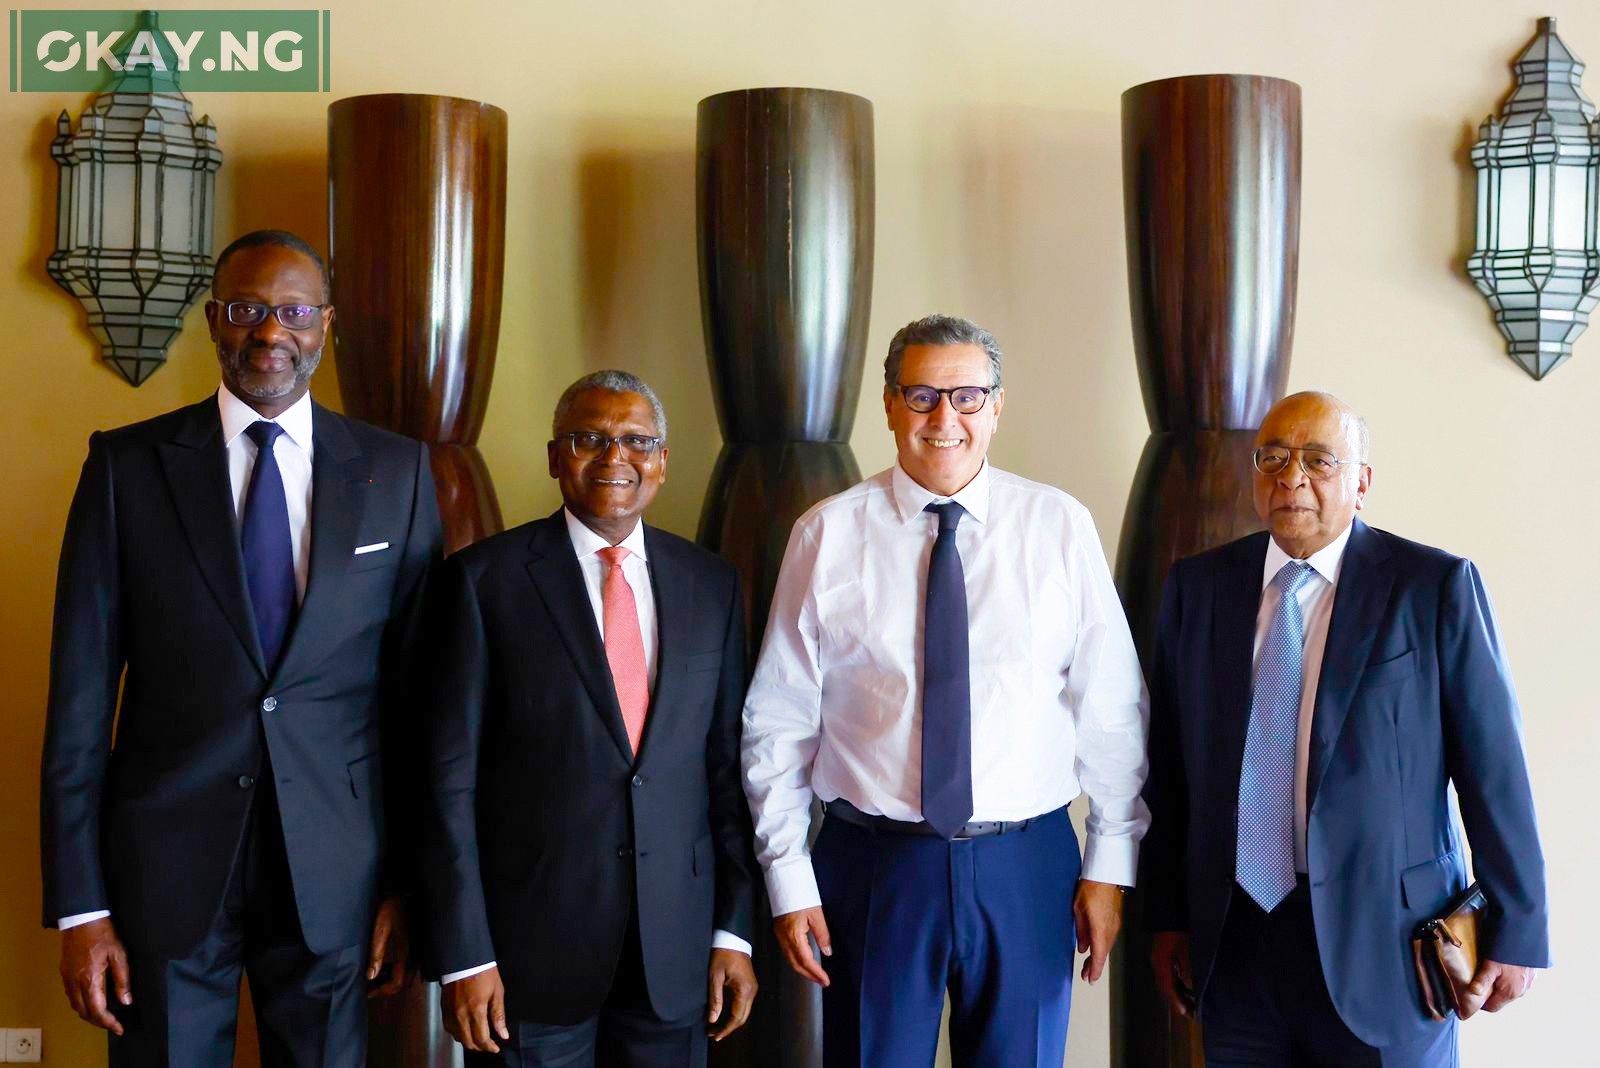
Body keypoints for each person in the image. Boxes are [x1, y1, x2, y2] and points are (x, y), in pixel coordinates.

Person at [41, 229, 442, 1067]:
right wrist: (82, 909)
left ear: (324, 325)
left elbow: (416, 700)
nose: (271, 332)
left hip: (338, 867)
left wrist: (408, 883)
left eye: (293, 311)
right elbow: (78, 703)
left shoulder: (397, 475)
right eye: (248, 310)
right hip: (163, 869)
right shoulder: (127, 469)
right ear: (214, 321)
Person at [741, 314, 1149, 1067]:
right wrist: (789, 877)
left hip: (1027, 865)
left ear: (997, 406)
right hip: (872, 868)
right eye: (923, 395)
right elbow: (779, 722)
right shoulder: (825, 535)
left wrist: (1108, 866)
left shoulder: (1059, 527)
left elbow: (1112, 712)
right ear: (890, 405)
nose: (944, 418)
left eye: (966, 396)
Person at [1140, 391, 1550, 1066]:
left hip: (1388, 947)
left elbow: (1494, 769)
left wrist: (1521, 927)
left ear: (1361, 482)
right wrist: (1168, 916)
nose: (1290, 477)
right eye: (1272, 458)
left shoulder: (1433, 586)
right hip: (1236, 943)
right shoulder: (1199, 588)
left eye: (1318, 460)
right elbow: (1172, 767)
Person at [422, 370, 758, 1066]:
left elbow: (728, 771)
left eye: (637, 441)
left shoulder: (711, 585)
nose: (615, 458)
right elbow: (446, 785)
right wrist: (465, 954)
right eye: (589, 439)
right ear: (555, 457)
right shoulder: (485, 582)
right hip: (526, 962)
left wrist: (733, 931)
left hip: (677, 953)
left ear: (662, 461)